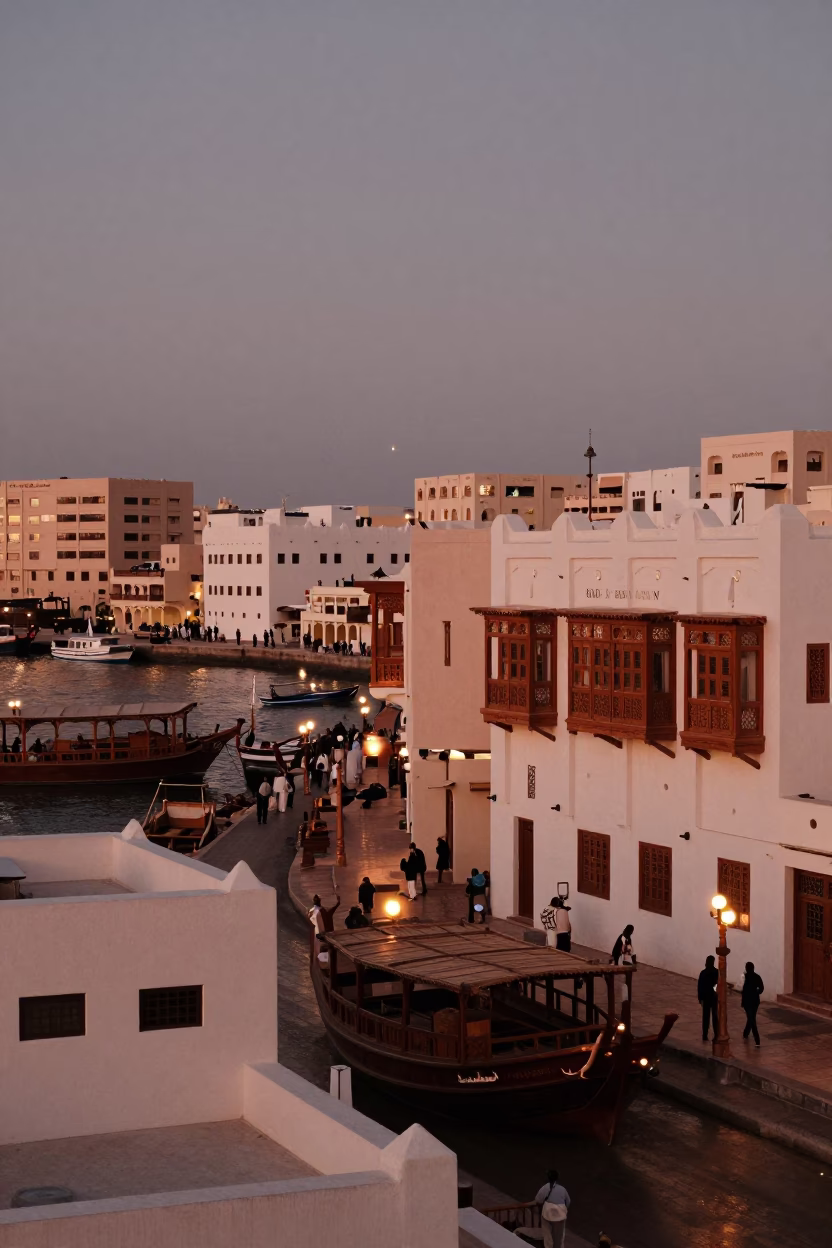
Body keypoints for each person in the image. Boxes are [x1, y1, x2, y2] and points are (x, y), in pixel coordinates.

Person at [534, 1169, 570, 1248]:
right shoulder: (562, 1189)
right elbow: (568, 1201)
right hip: (560, 1215)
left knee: (547, 1235)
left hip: (547, 1214)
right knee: (559, 1237)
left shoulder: (545, 1187)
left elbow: (538, 1199)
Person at [741, 961, 764, 1046]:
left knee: (751, 1018)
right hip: (755, 1001)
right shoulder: (757, 977)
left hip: (747, 1001)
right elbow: (761, 988)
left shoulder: (744, 977)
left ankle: (757, 1039)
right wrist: (756, 992)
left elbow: (740, 988)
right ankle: (746, 1033)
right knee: (751, 1017)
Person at [697, 954, 719, 1042]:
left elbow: (700, 987)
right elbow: (718, 984)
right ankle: (716, 1034)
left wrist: (700, 998)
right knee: (714, 1016)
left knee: (705, 1017)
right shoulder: (716, 972)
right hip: (713, 997)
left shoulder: (703, 973)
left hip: (705, 997)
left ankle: (705, 1035)